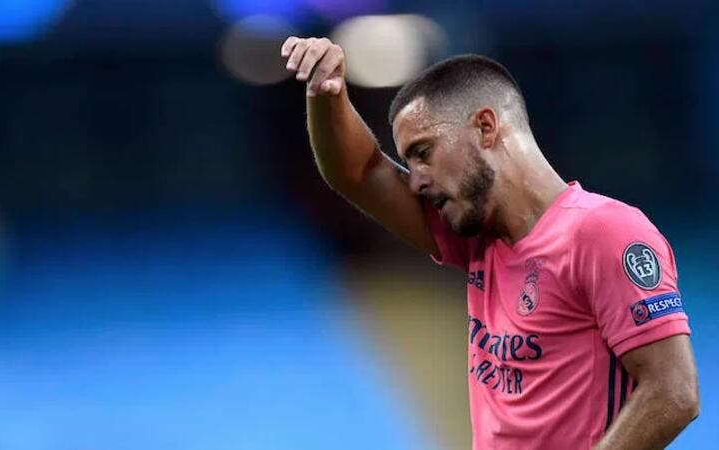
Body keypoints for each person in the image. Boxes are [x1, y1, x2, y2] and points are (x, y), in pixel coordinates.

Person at [280, 36, 700, 449]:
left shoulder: (604, 232)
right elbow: (359, 174)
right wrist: (325, 95)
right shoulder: (477, 237)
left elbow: (673, 393)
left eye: (423, 152)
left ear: (485, 126)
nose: (416, 181)